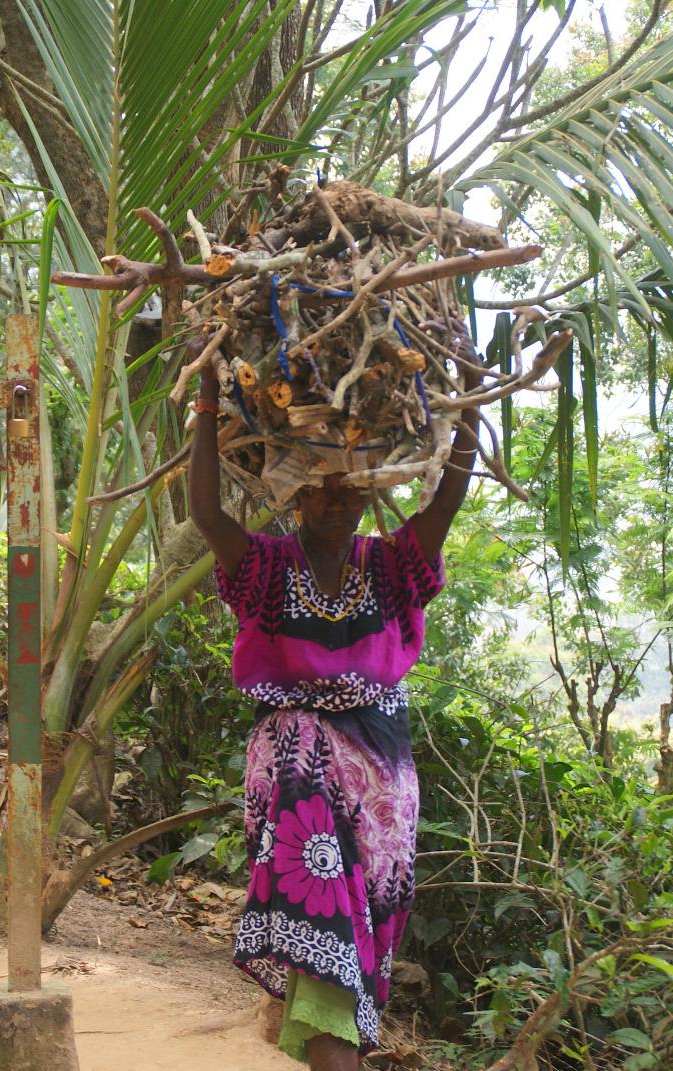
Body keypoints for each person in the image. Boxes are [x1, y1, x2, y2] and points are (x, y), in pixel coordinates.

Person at [188, 354, 482, 1070]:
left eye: (351, 489)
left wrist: (471, 403)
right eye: (321, 490)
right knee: (326, 938)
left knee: (355, 939)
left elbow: (445, 502)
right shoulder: (263, 568)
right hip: (299, 776)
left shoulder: (392, 567)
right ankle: (329, 1044)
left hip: (381, 778)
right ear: (295, 497)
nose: (337, 502)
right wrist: (203, 407)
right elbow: (204, 510)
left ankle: (321, 1025)